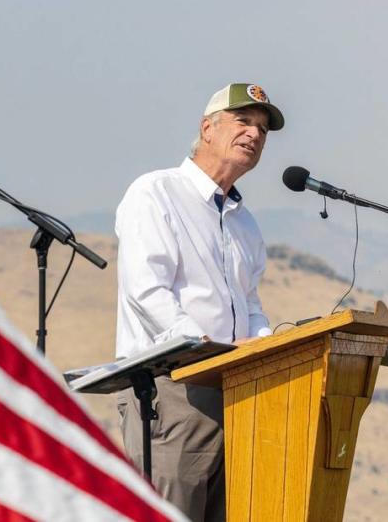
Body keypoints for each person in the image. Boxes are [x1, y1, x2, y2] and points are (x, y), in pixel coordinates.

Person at [114, 83, 284, 522]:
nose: (255, 135)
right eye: (243, 122)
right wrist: (206, 348)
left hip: (235, 391)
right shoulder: (156, 193)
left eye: (263, 129)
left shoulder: (245, 223)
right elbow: (146, 290)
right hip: (173, 389)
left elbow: (249, 303)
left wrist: (267, 346)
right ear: (207, 128)